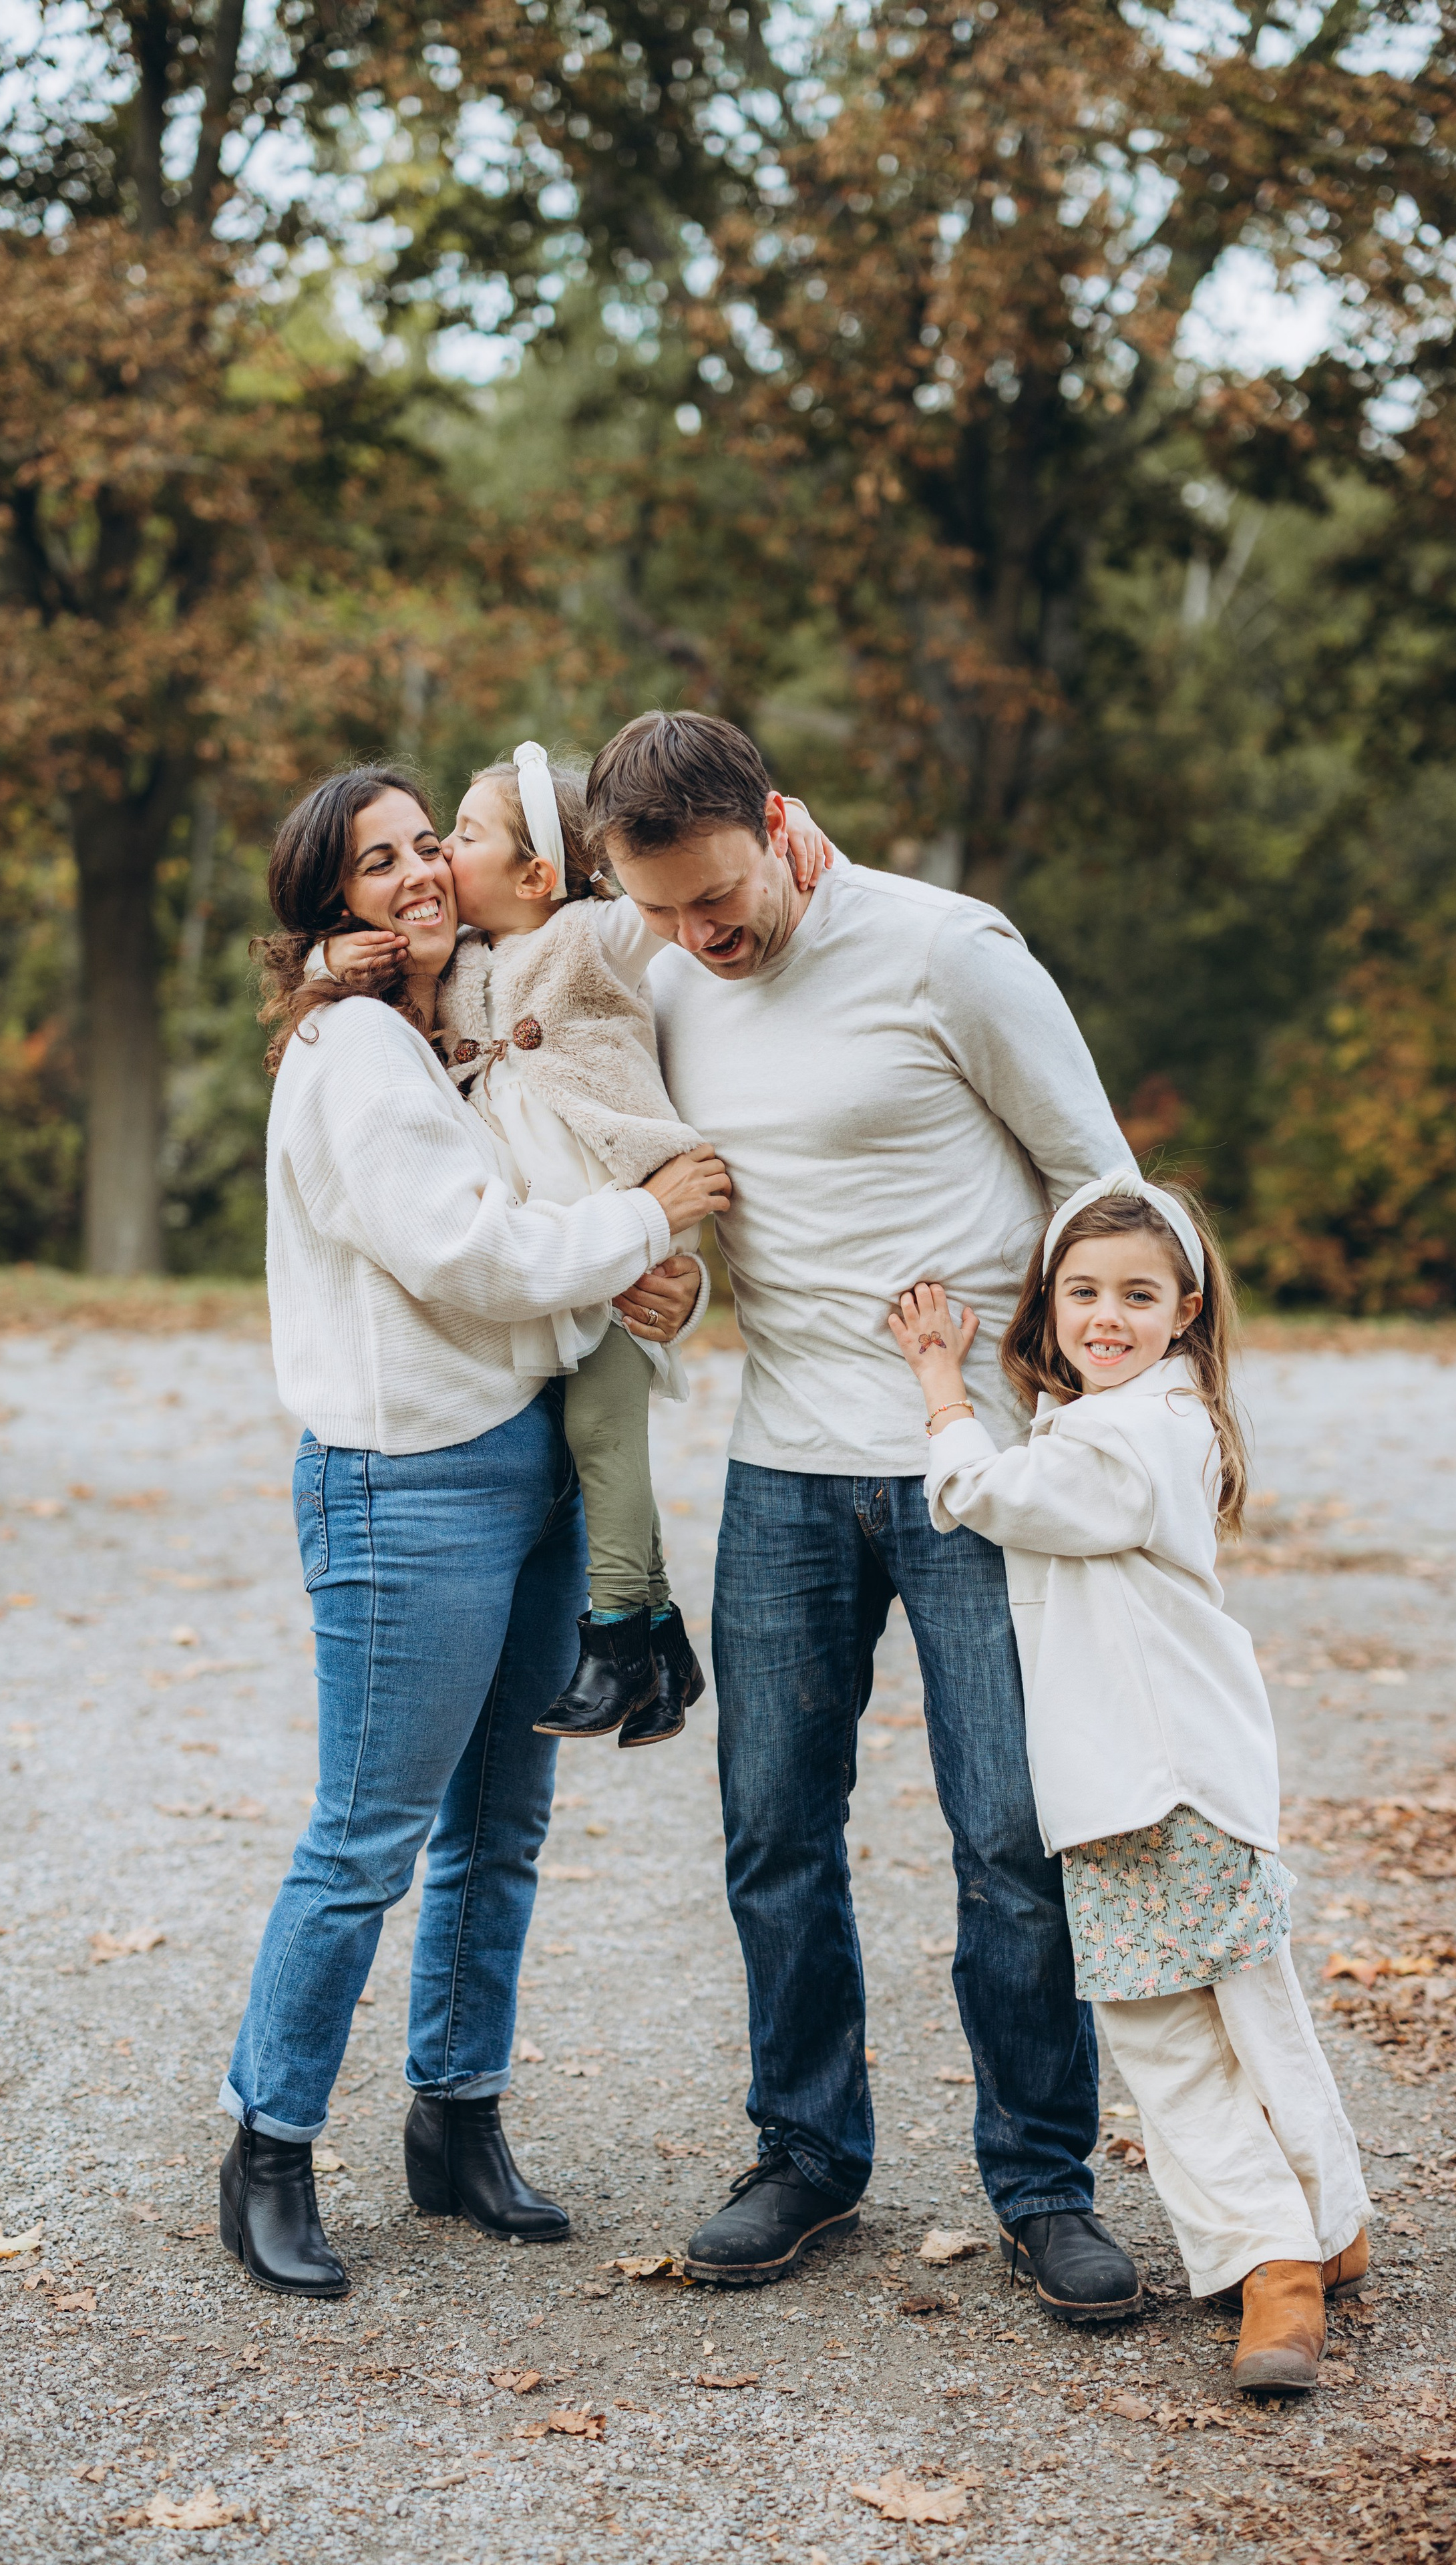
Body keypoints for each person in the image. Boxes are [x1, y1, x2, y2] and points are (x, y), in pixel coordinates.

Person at [588, 709, 1144, 2317]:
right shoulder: (662, 977)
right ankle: (805, 2156)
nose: (701, 936)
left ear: (779, 825)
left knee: (1007, 1838)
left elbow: (1098, 1184)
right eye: (661, 909)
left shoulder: (946, 951)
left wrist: (1118, 1422)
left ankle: (1041, 2184)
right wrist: (669, 1284)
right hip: (782, 1468)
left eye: (719, 895)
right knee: (772, 1830)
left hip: (977, 1464)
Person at [218, 765, 725, 2298]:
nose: (419, 871)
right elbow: (467, 1252)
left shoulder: (445, 1030)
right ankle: (268, 2147)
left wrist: (649, 1277)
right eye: (375, 863)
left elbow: (550, 1174)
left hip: (527, 1461)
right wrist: (649, 1220)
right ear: (333, 905)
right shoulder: (356, 1051)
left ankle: (457, 2121)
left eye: (426, 843)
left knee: (501, 1827)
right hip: (407, 1484)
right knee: (366, 1838)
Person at [890, 1168, 1371, 2391]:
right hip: (1198, 1775)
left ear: (1186, 1311)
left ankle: (1274, 2268)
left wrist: (941, 1384)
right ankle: (1329, 2220)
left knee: (1167, 2039)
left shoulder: (1128, 1436)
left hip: (1143, 1787)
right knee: (1252, 2011)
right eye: (1084, 1292)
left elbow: (989, 1495)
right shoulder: (1155, 1414)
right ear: (1051, 1303)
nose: (1107, 1316)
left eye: (1138, 1296)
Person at [319, 746, 836, 1749]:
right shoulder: (459, 962)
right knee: (592, 1441)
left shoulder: (594, 937)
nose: (441, 856)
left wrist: (786, 828)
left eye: (461, 836)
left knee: (602, 1434)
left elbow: (673, 875)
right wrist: (325, 965)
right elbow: (344, 968)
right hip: (561, 1251)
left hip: (625, 1225)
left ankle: (614, 1636)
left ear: (537, 874)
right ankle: (664, 1644)